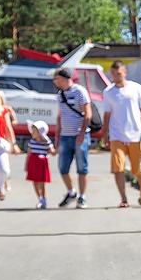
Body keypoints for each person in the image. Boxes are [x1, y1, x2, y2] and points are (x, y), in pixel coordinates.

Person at [100, 60, 141, 208]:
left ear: (125, 72)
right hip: (117, 136)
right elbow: (107, 115)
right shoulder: (108, 92)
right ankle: (124, 199)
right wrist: (104, 134)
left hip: (136, 134)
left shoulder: (136, 88)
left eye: (119, 73)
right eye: (114, 74)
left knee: (138, 168)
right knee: (118, 168)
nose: (116, 77)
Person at [52, 67, 92, 209]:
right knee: (63, 168)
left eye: (56, 78)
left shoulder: (80, 91)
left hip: (80, 135)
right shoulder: (60, 94)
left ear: (63, 79)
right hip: (65, 136)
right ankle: (71, 192)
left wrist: (81, 134)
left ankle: (82, 196)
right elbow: (60, 115)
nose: (54, 81)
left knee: (82, 168)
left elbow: (88, 114)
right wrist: (56, 137)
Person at [25, 120, 55, 209]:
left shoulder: (46, 141)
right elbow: (29, 153)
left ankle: (44, 199)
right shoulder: (32, 141)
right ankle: (40, 199)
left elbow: (52, 151)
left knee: (41, 182)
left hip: (42, 163)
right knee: (35, 182)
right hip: (33, 162)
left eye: (34, 131)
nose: (32, 132)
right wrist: (26, 164)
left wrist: (54, 149)